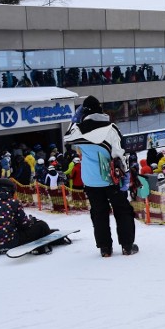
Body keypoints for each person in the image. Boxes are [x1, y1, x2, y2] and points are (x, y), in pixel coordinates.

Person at [64, 95, 137, 257]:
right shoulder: (111, 128)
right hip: (112, 180)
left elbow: (67, 137)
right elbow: (119, 154)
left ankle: (105, 248)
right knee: (122, 210)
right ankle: (127, 245)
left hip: (90, 180)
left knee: (99, 212)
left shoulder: (78, 129)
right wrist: (125, 175)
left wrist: (75, 119)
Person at [0, 178, 53, 254]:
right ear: (10, 190)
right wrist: (32, 221)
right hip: (10, 242)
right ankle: (48, 238)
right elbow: (24, 225)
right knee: (41, 225)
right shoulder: (13, 202)